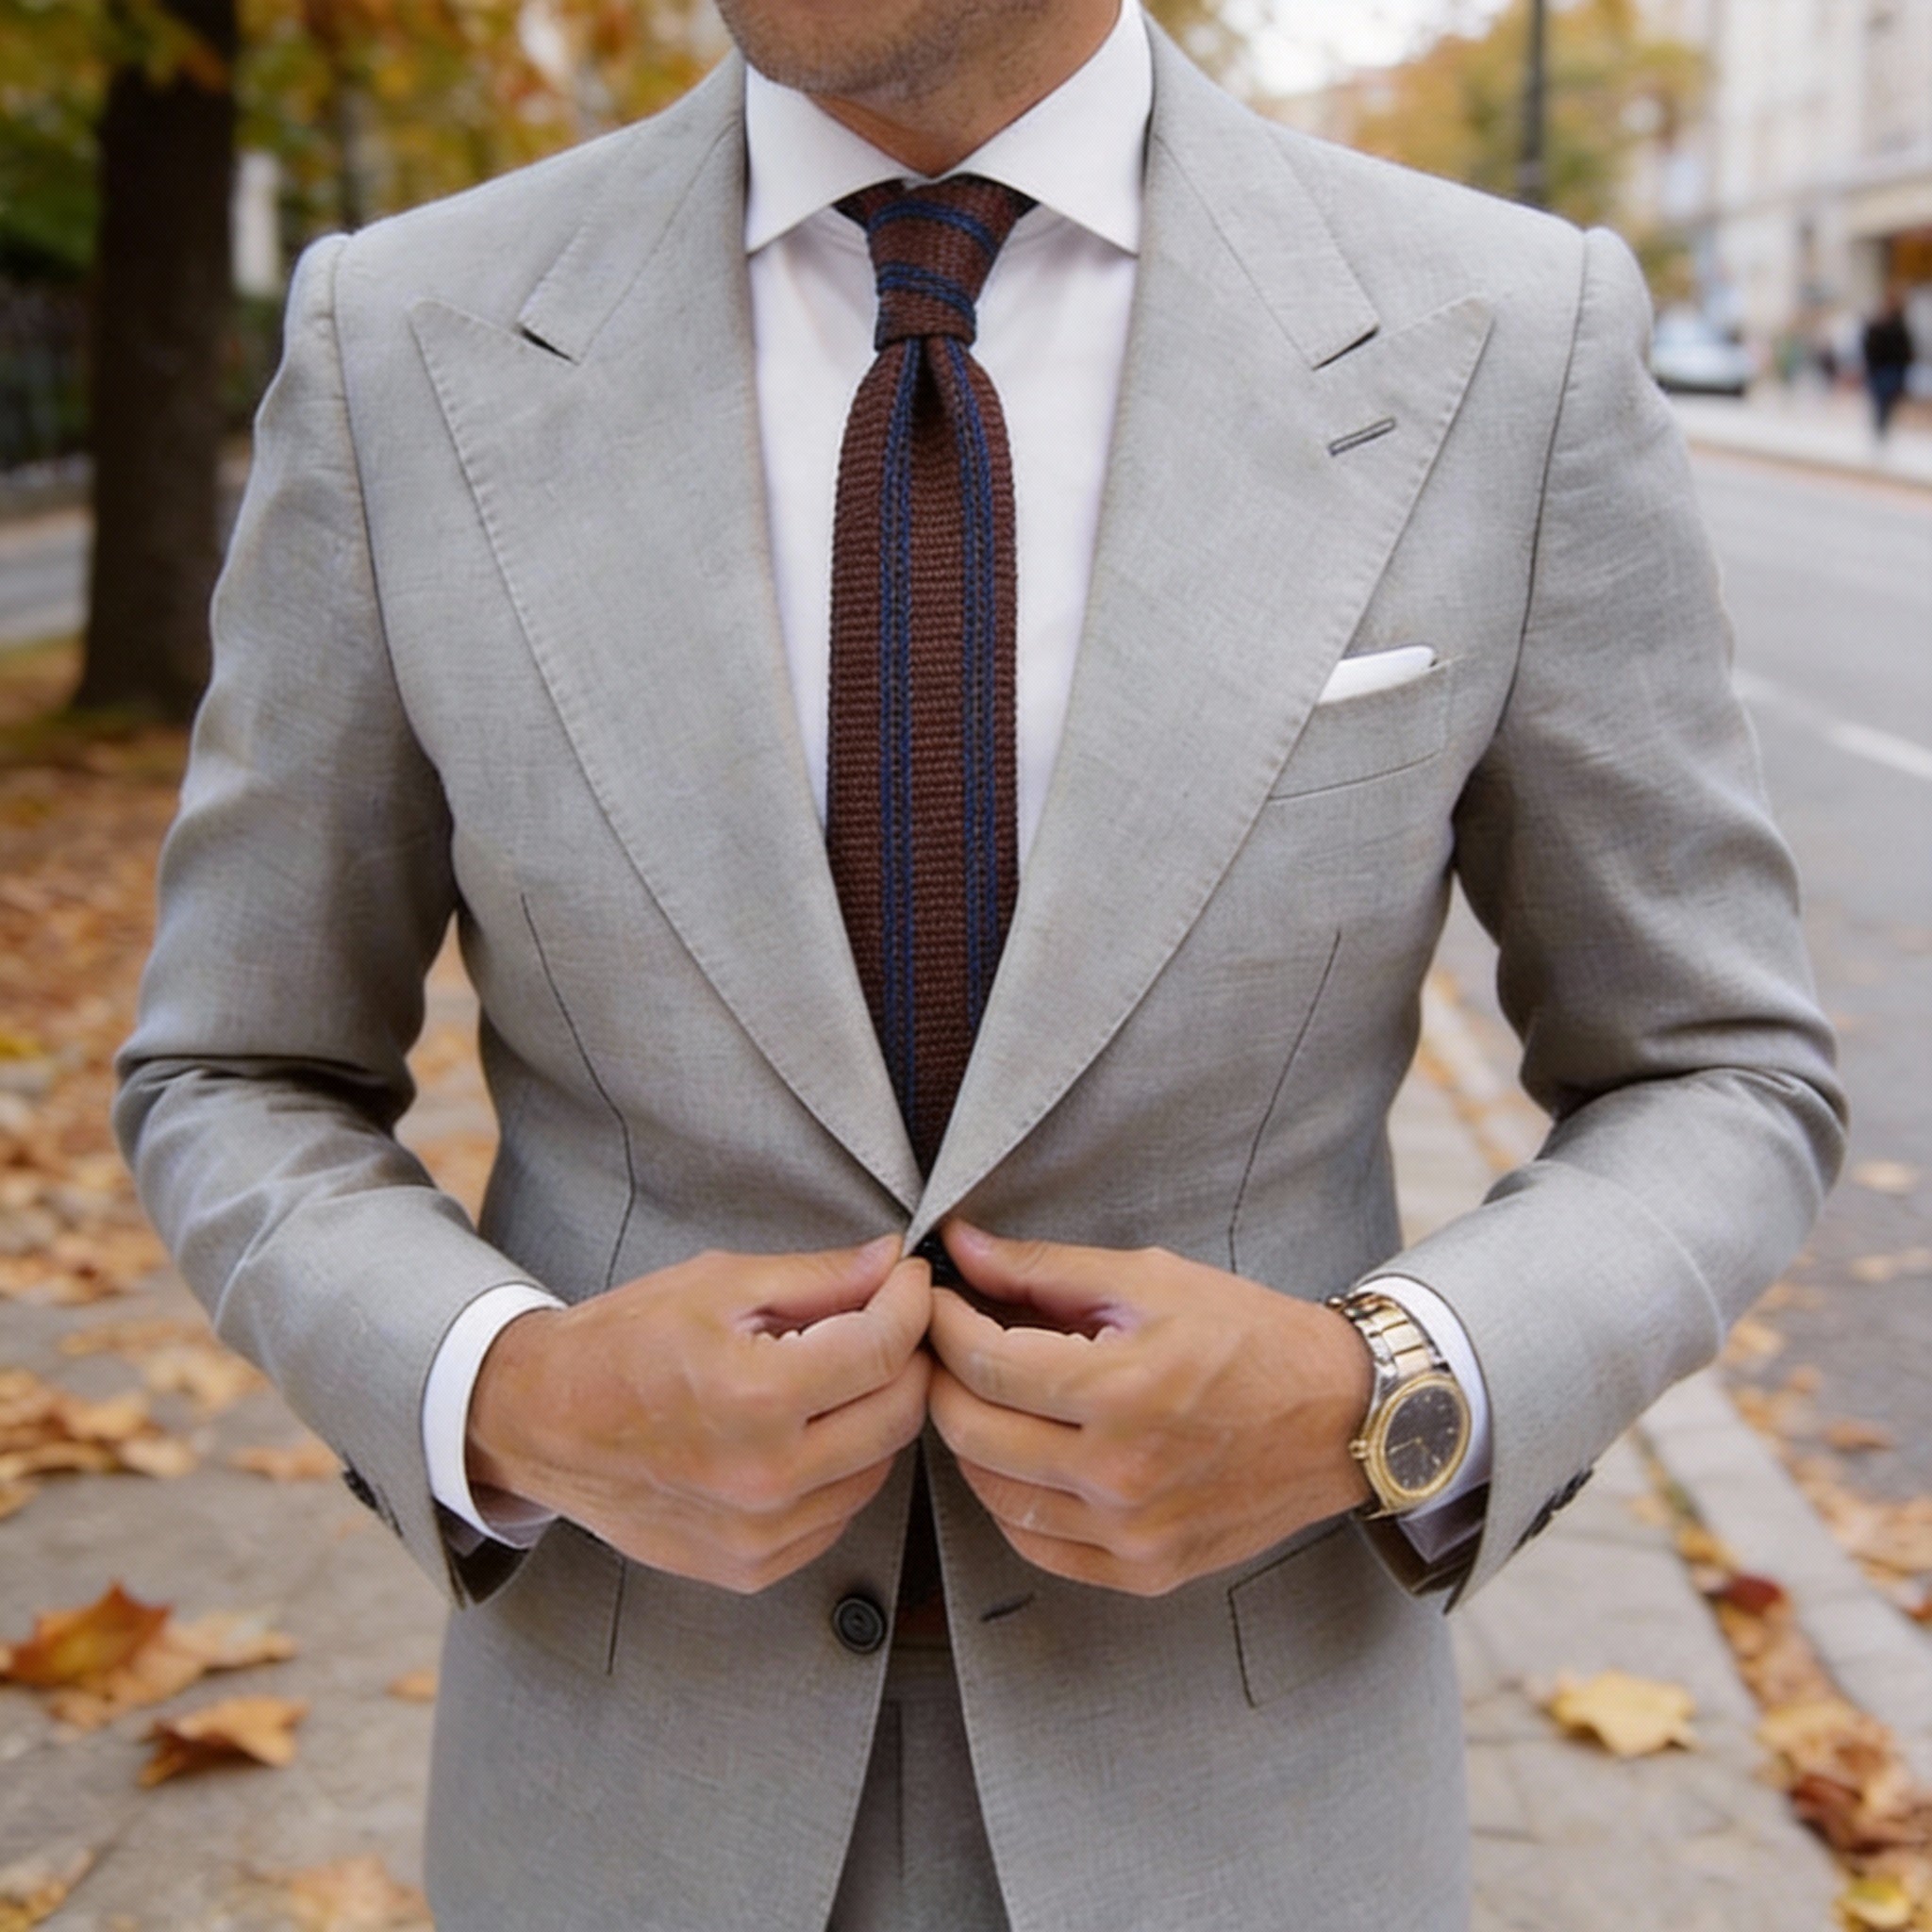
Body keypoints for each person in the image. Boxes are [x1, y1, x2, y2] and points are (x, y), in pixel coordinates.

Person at [115, 1, 1844, 1927]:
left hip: (1249, 1806)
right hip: (627, 1800)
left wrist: (1384, 1394)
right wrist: (503, 1392)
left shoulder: (1506, 339)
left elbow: (1716, 1067)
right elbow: (235, 1064)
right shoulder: (402, 342)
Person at [1863, 286, 1917, 439]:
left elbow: (1905, 348)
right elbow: (1870, 346)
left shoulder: (1899, 323)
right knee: (1881, 401)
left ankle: (1882, 430)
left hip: (1891, 368)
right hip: (1881, 368)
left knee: (1886, 400)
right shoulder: (1879, 323)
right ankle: (1881, 430)